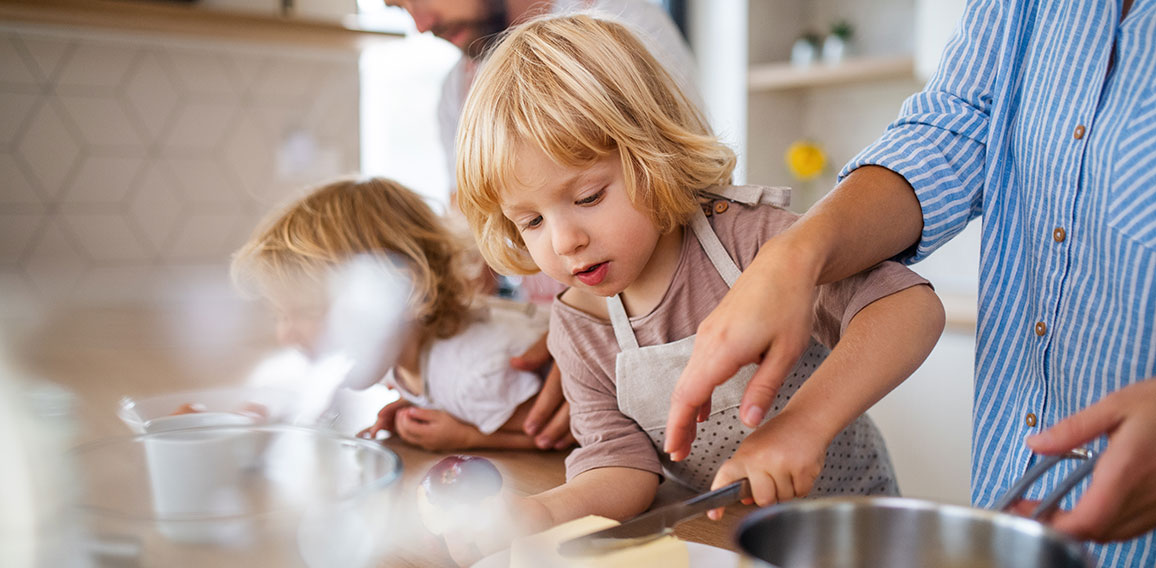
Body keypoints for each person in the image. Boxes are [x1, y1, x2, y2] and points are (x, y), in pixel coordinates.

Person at [663, 1, 1156, 566]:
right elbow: (955, 125)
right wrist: (793, 258)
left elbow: (909, 309)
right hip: (1009, 488)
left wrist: (804, 420)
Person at [444, 14, 945, 564]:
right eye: (530, 221)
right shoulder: (580, 323)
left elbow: (909, 307)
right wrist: (538, 514)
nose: (565, 241)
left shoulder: (750, 242)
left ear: (651, 152)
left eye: (588, 197)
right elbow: (622, 467)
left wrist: (803, 426)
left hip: (853, 534)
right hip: (723, 542)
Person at [384, 0, 701, 451]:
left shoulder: (619, 24)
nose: (420, 24)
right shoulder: (459, 89)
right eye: (530, 221)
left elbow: (688, 199)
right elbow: (475, 254)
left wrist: (592, 344)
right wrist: (437, 386)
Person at [231, 176, 569, 451]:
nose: (285, 334)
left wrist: (468, 435)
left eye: (307, 311)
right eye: (279, 314)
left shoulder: (472, 376)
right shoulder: (401, 352)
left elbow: (566, 428)